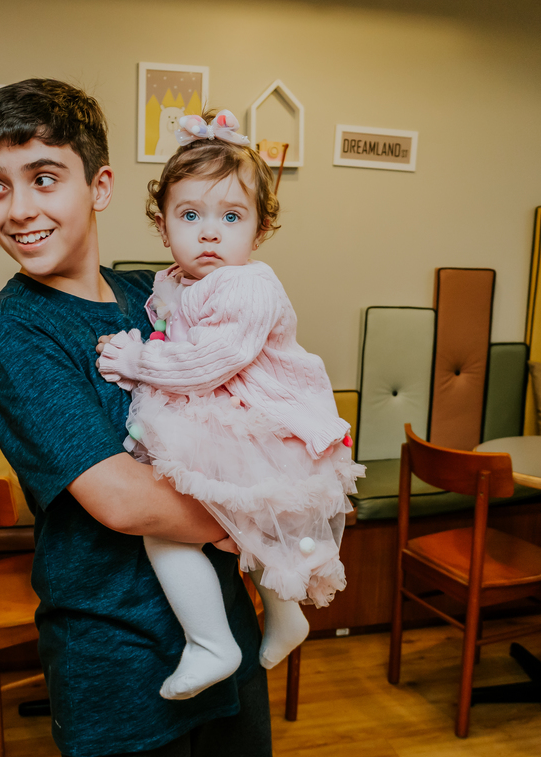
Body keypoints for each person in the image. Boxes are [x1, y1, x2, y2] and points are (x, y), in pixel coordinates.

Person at [0, 79, 276, 757]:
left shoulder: (156, 292)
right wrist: (270, 514)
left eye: (44, 178)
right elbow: (123, 500)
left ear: (99, 185)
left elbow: (249, 390)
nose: (20, 209)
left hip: (227, 630)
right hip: (118, 658)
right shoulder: (15, 331)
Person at [96, 110, 364, 701]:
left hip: (259, 423)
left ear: (260, 230)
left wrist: (134, 361)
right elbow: (174, 337)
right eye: (190, 216)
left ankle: (213, 641)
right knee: (226, 524)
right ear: (164, 227)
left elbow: (209, 362)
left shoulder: (248, 286)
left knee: (179, 527)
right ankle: (282, 618)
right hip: (217, 415)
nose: (209, 233)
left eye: (231, 217)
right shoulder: (170, 283)